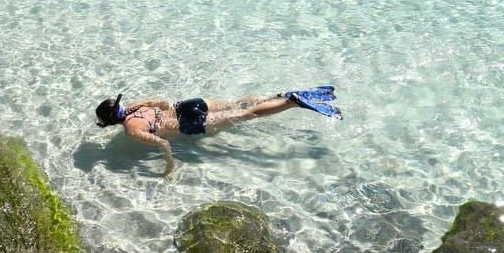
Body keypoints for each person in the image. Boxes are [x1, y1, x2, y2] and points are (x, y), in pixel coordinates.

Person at [95, 86, 341, 177]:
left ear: (110, 122)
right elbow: (163, 102)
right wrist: (162, 117)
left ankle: (291, 102)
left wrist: (169, 167)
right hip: (190, 105)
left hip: (189, 124)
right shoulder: (137, 104)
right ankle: (280, 95)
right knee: (237, 103)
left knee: (247, 115)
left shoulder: (130, 129)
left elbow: (163, 145)